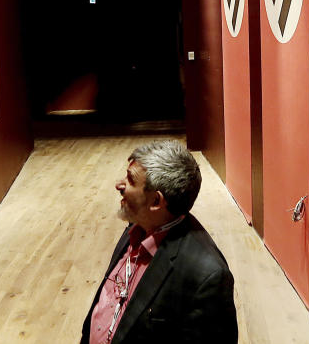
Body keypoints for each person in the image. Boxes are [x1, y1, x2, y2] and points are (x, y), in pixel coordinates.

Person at [81, 141, 239, 343]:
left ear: (156, 201)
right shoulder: (137, 227)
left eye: (130, 180)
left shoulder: (207, 276)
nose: (119, 185)